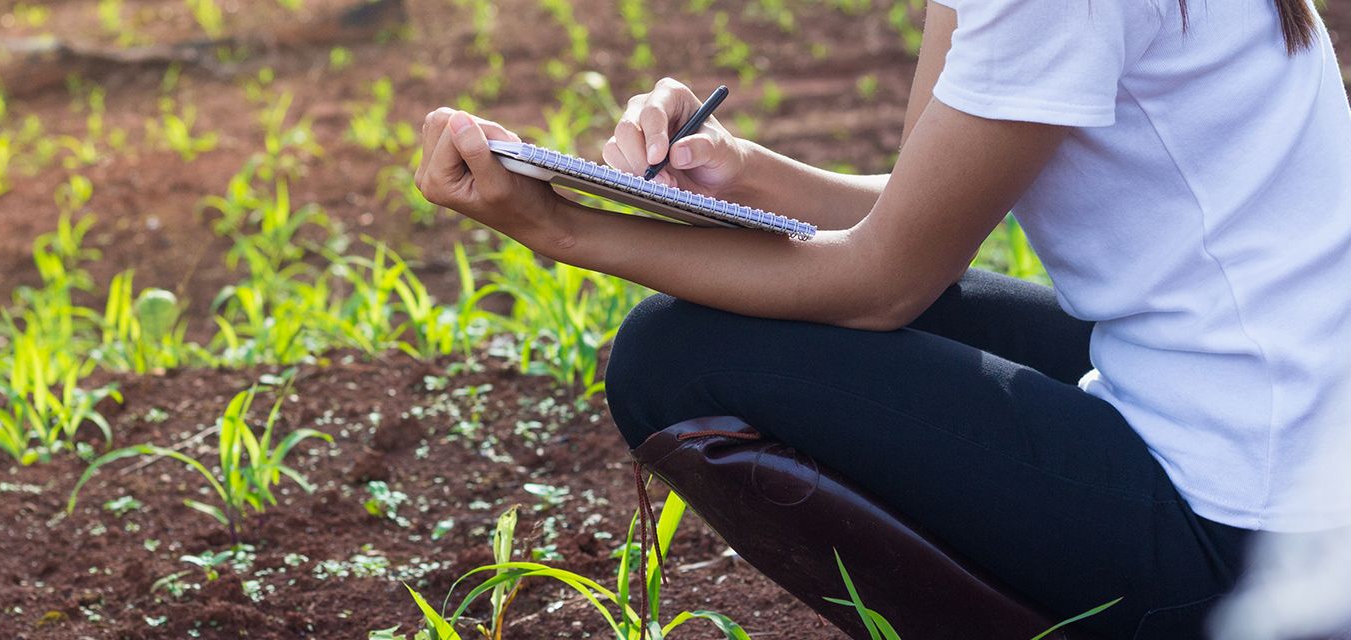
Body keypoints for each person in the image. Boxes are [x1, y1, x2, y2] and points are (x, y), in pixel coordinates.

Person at [412, 0, 1350, 637]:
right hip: (1283, 423)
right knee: (884, 324)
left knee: (676, 356)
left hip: (1257, 540)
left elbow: (881, 283)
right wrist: (740, 169)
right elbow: (913, 207)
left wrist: (563, 230)